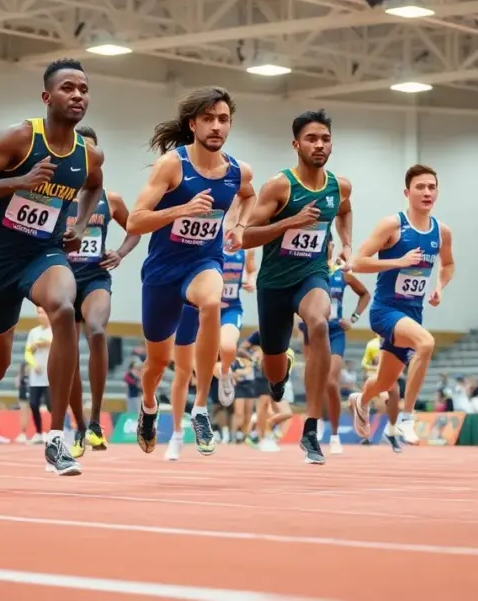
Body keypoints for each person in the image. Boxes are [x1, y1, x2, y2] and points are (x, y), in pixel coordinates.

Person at [0, 58, 104, 476]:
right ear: (46, 97)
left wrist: (79, 222)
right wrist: (18, 181)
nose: (78, 96)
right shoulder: (19, 138)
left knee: (62, 307)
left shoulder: (88, 155)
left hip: (45, 253)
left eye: (84, 89)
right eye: (68, 88)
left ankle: (56, 439)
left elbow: (95, 185)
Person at [126, 86, 256, 456]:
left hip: (204, 262)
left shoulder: (236, 171)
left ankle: (200, 408)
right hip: (163, 271)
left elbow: (250, 195)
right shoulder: (172, 165)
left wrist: (241, 227)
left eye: (223, 119)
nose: (217, 126)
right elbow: (135, 222)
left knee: (212, 302)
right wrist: (179, 210)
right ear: (192, 124)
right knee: (157, 363)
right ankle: (149, 405)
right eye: (208, 119)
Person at [242, 110, 352, 464]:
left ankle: (310, 427)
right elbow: (245, 237)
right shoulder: (279, 186)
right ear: (296, 144)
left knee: (318, 323)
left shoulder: (339, 186)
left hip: (312, 274)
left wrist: (347, 243)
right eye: (311, 139)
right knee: (273, 367)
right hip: (274, 283)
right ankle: (280, 375)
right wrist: (292, 221)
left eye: (325, 139)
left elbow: (345, 210)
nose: (319, 145)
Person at [347, 164, 456, 445]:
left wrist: (439, 287)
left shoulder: (441, 231)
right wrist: (399, 261)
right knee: (427, 344)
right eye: (420, 187)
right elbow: (357, 262)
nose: (427, 192)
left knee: (383, 383)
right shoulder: (392, 225)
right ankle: (408, 418)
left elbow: (449, 264)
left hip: (412, 313)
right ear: (407, 193)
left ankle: (361, 399)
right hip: (385, 311)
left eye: (432, 187)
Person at [65, 125, 141, 458]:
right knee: (68, 353)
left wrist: (120, 253)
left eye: (92, 152)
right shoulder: (56, 195)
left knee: (96, 332)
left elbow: (135, 228)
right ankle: (80, 427)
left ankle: (95, 420)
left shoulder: (111, 199)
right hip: (63, 280)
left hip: (95, 278)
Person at [163, 212, 257, 458]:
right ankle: (176, 435)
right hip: (193, 308)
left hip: (228, 309)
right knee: (183, 373)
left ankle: (225, 372)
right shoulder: (201, 242)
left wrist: (250, 279)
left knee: (228, 348)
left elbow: (251, 271)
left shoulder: (244, 244)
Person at [297, 243, 370, 455]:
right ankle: (315, 422)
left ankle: (336, 435)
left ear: (330, 246)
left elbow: (365, 294)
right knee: (312, 382)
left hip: (335, 330)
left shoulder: (341, 272)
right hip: (311, 330)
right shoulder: (306, 269)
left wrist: (353, 318)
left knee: (330, 381)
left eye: (326, 244)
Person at [24, 307, 54, 444]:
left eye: (43, 312)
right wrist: (34, 365)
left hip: (50, 375)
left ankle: (55, 432)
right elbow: (27, 352)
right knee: (33, 403)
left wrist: (42, 343)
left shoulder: (54, 330)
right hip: (36, 376)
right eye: (38, 312)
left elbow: (56, 344)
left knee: (51, 405)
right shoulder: (33, 332)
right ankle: (38, 432)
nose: (40, 315)